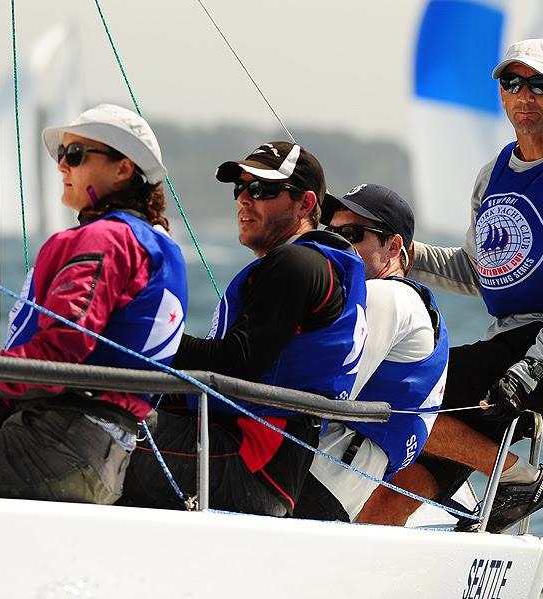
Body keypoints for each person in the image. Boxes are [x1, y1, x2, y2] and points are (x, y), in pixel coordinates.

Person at [360, 38, 543, 532]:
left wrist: (529, 370)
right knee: (384, 508)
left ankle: (517, 477)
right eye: (512, 83)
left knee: (388, 390)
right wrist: (397, 253)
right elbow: (478, 270)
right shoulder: (493, 174)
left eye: (540, 84)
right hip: (507, 348)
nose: (523, 94)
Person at [119, 141, 368, 517]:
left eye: (263, 190)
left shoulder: (297, 264)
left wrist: (139, 337)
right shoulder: (314, 263)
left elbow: (238, 362)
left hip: (247, 460)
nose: (244, 200)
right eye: (240, 188)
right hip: (257, 462)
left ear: (304, 204)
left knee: (80, 430)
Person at [0, 104, 188, 504]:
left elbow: (61, 353)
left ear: (123, 168)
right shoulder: (160, 247)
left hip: (58, 446)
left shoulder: (106, 239)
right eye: (60, 156)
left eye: (75, 154)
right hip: (101, 456)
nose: (62, 167)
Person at [293, 183, 448, 522]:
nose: (337, 243)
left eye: (352, 233)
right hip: (343, 483)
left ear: (393, 247)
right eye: (330, 232)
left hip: (321, 474)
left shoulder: (384, 296)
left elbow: (330, 388)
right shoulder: (411, 301)